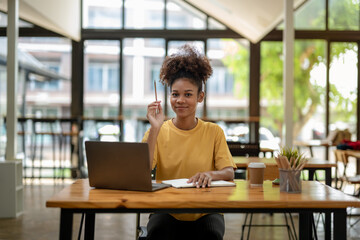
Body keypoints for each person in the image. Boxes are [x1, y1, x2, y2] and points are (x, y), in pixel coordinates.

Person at [142, 44, 236, 240]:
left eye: (188, 94)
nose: (180, 100)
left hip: (206, 211)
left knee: (210, 235)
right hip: (166, 210)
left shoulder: (214, 132)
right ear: (169, 97)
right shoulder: (156, 131)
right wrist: (155, 128)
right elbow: (142, 171)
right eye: (175, 94)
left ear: (200, 97)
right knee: (158, 233)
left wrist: (209, 174)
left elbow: (229, 172)